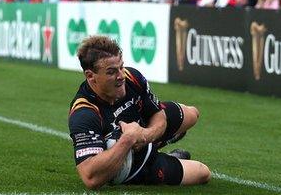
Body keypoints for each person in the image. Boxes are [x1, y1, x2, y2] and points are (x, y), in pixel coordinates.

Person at [68, 36, 210, 189]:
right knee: (203, 173)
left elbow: (159, 116)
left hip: (142, 131)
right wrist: (128, 139)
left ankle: (158, 142)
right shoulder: (84, 113)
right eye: (111, 72)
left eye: (121, 67)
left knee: (192, 114)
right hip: (134, 164)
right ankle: (166, 157)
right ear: (90, 76)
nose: (121, 76)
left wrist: (144, 135)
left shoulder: (132, 77)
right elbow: (90, 178)